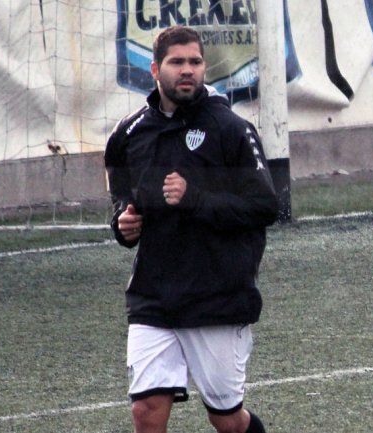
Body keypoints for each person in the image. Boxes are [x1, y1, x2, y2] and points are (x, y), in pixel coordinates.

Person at [104, 26, 278, 433]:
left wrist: (195, 197)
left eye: (195, 62)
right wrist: (122, 224)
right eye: (177, 62)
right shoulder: (127, 135)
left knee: (226, 420)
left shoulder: (230, 129)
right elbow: (120, 200)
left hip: (216, 296)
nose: (188, 71)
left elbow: (266, 205)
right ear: (154, 69)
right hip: (153, 297)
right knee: (146, 411)